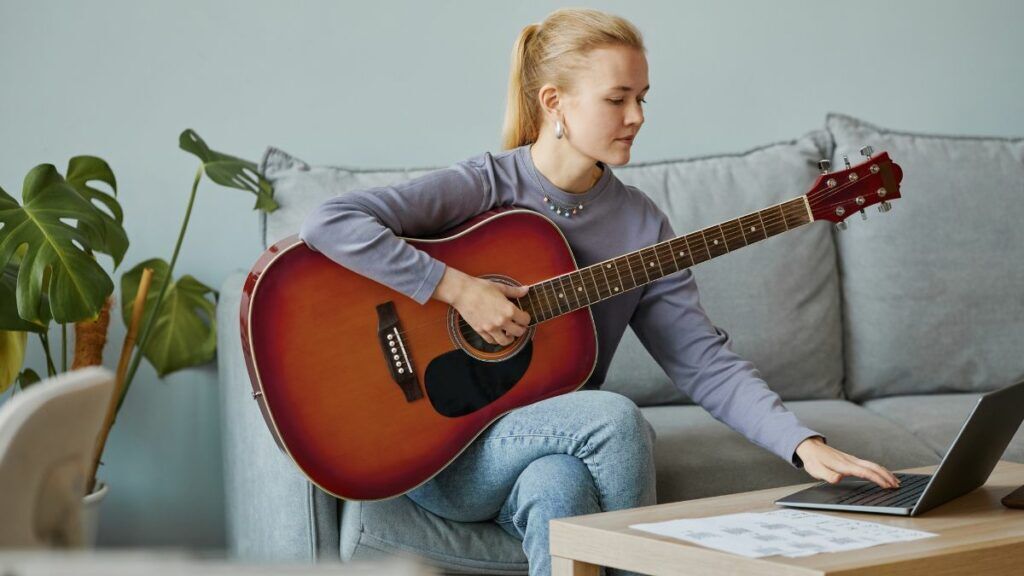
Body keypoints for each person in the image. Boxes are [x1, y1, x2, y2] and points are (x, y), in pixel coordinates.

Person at [298, 8, 900, 576]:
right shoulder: (486, 186)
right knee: (613, 420)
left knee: (558, 487)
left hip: (542, 452)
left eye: (642, 98)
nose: (637, 116)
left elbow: (703, 360)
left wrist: (802, 444)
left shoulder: (640, 227)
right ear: (555, 103)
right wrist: (457, 289)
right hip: (443, 446)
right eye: (617, 99)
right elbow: (329, 224)